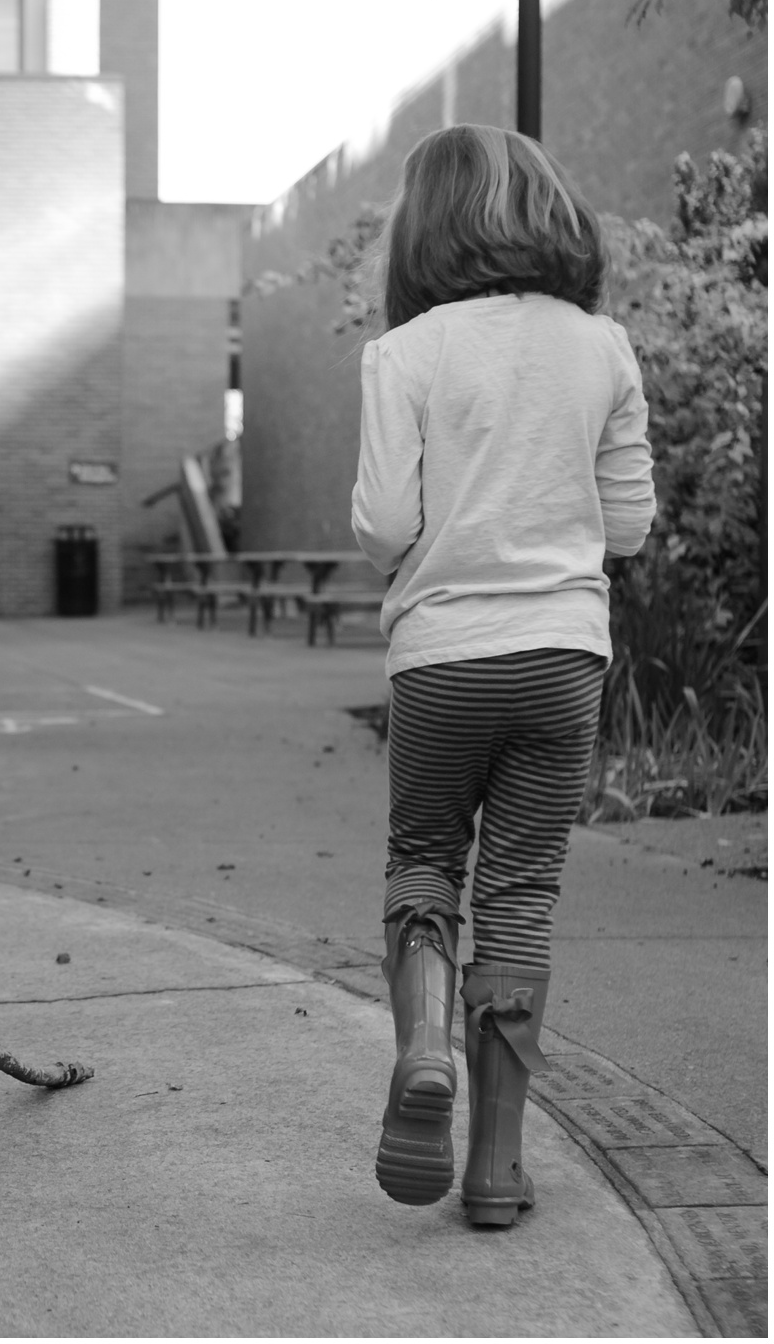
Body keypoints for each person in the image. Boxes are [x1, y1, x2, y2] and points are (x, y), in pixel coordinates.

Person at [351, 124, 654, 1226]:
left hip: (439, 659)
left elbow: (383, 524)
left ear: (421, 228)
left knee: (423, 858)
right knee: (519, 894)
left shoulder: (405, 352)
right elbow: (625, 526)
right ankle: (492, 1171)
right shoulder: (601, 345)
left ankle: (421, 1039)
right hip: (561, 656)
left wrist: (433, 545)